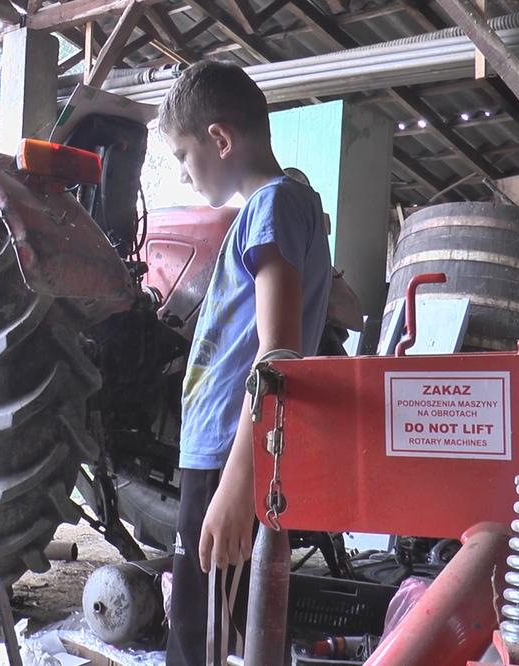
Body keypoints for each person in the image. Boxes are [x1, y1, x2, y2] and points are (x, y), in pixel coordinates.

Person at [159, 61, 332, 665]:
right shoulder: (290, 205)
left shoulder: (271, 206)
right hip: (225, 450)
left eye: (183, 154)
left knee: (199, 639)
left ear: (221, 139)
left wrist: (238, 481)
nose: (183, 174)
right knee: (222, 626)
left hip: (227, 457)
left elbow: (277, 352)